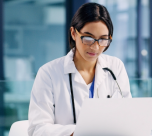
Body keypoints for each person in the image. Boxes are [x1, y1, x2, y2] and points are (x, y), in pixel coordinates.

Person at [28, 2, 132, 136]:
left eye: (103, 40)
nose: (95, 47)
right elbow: (37, 129)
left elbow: (127, 117)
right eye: (88, 38)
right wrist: (76, 132)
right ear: (73, 33)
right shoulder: (48, 73)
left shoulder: (115, 67)